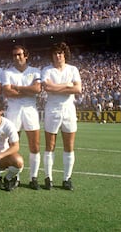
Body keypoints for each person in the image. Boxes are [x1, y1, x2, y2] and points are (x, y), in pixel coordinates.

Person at [41, 42, 82, 191]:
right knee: (50, 146)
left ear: (65, 54)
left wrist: (57, 87)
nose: (58, 56)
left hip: (69, 110)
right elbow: (47, 87)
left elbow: (78, 89)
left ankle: (67, 178)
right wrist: (67, 86)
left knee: (69, 146)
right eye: (55, 53)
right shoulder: (47, 70)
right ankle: (48, 178)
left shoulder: (73, 69)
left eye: (60, 53)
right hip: (52, 109)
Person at [2, 45, 42, 190]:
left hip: (30, 110)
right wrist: (27, 90)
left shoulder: (35, 71)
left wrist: (17, 87)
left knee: (35, 145)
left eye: (19, 54)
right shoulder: (7, 72)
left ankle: (33, 177)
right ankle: (15, 177)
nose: (17, 58)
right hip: (13, 111)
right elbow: (7, 92)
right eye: (14, 55)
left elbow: (37, 89)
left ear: (26, 56)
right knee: (13, 146)